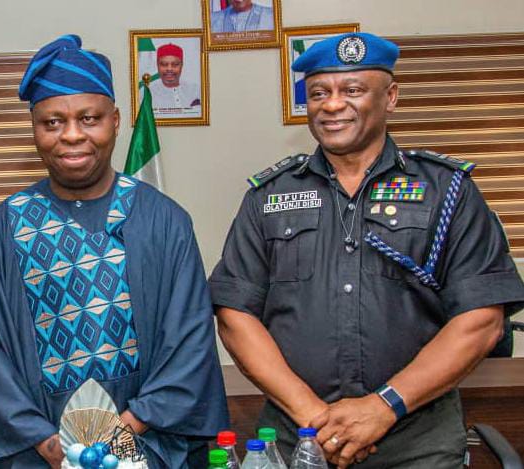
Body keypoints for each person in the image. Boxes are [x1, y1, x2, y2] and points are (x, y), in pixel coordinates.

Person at [209, 32, 524, 468]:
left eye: (352, 90)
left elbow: (482, 319)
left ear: (390, 97)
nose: (332, 105)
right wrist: (315, 419)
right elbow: (234, 314)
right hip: (299, 440)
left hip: (419, 446)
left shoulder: (447, 191)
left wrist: (383, 406)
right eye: (319, 93)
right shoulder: (269, 196)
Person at [0, 34, 228, 469]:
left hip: (145, 438)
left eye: (89, 118)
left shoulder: (163, 220)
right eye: (52, 122)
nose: (71, 136)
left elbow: (190, 339)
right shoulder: (4, 227)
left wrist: (120, 438)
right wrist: (51, 447)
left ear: (115, 121)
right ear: (34, 128)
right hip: (38, 449)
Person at [149, 43, 200, 112]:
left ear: (181, 65)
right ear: (157, 65)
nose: (169, 69)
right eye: (164, 64)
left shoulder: (195, 91)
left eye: (175, 64)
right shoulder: (147, 93)